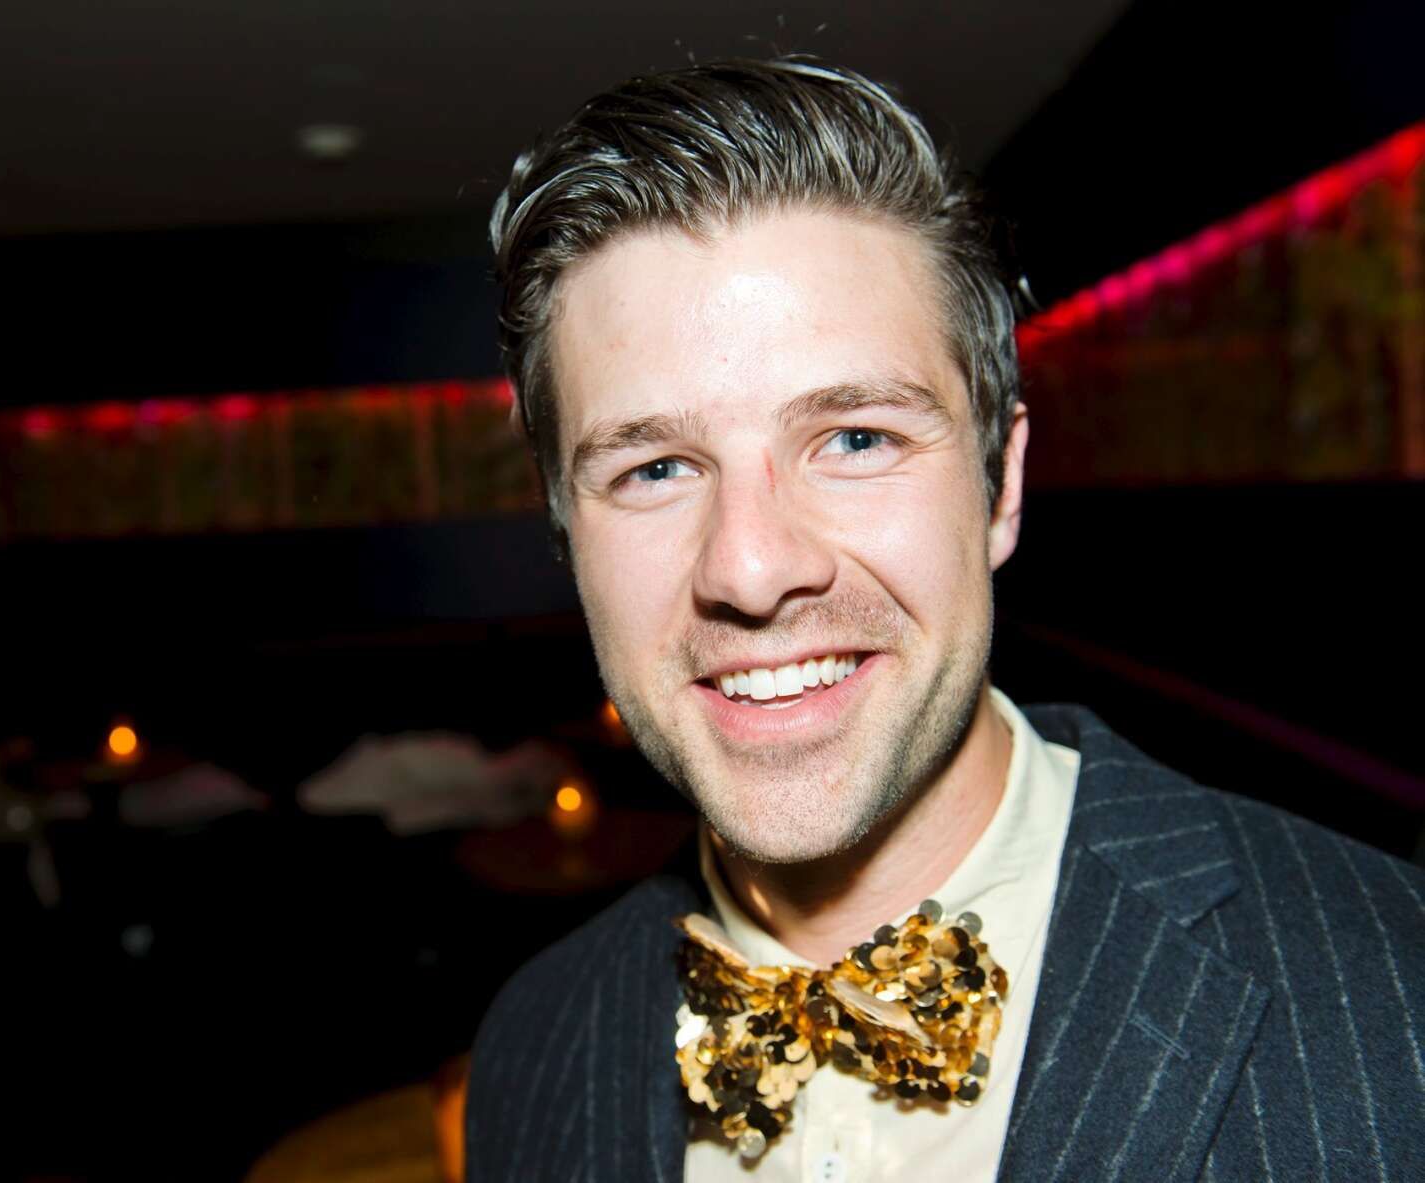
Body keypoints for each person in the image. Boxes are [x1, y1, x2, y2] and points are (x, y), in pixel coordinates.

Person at [465, 57, 1425, 1182]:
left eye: (855, 438)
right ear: (566, 533)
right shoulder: (533, 1047)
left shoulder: (1394, 994)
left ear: (999, 484)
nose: (751, 568)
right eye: (656, 468)